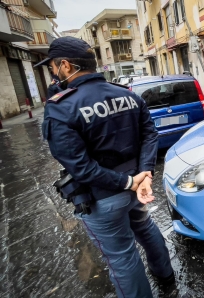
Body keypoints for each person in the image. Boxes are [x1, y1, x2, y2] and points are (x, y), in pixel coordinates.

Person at [35, 36, 178, 297]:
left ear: (65, 66)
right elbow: (150, 135)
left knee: (122, 258)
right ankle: (166, 277)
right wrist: (144, 175)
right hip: (136, 189)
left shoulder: (61, 107)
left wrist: (131, 181)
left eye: (52, 68)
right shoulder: (126, 94)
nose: (53, 74)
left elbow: (80, 167)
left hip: (104, 197)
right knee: (145, 227)